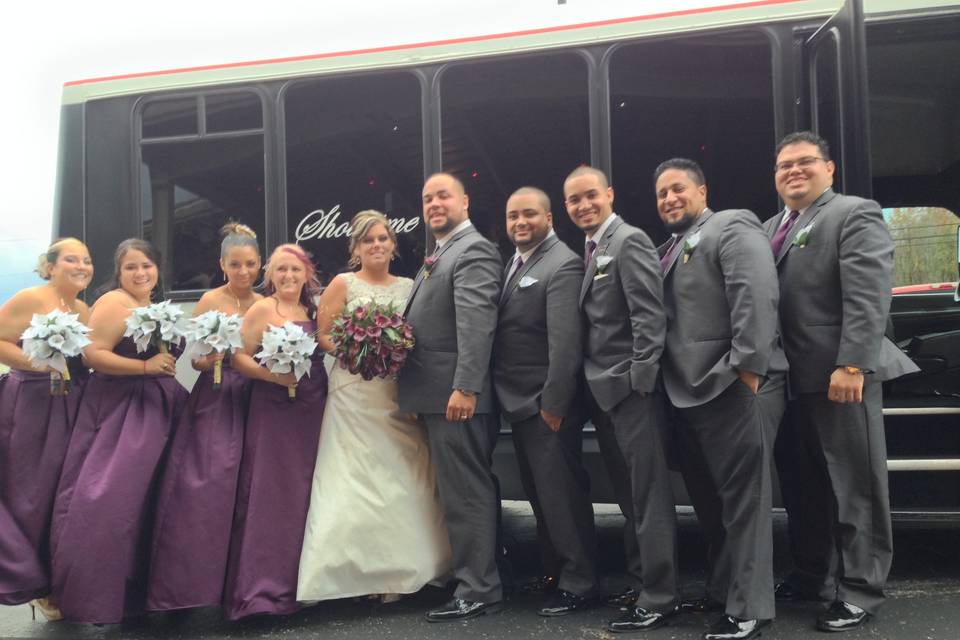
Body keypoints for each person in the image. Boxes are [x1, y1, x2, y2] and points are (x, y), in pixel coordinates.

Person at [764, 131, 918, 632]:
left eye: (805, 162)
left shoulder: (853, 213)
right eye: (784, 165)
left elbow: (869, 292)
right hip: (790, 382)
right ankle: (812, 574)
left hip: (840, 378)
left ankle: (860, 590)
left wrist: (852, 363)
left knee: (856, 487)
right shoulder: (772, 227)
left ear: (828, 168)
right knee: (804, 486)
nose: (794, 171)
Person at [653, 159, 787, 640]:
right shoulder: (668, 247)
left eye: (678, 189)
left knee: (744, 504)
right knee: (711, 505)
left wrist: (748, 369)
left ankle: (750, 609)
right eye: (662, 193)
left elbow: (754, 294)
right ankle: (723, 589)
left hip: (730, 386)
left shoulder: (731, 225)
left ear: (703, 190)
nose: (669, 198)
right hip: (688, 393)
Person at [297, 210, 451, 603]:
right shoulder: (342, 284)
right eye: (368, 240)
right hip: (354, 392)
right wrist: (360, 355)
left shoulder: (408, 285)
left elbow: (417, 336)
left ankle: (402, 570)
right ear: (356, 248)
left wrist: (391, 352)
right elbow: (325, 335)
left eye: (383, 238)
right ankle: (354, 573)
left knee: (403, 477)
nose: (377, 245)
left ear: (393, 244)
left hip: (396, 393)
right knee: (354, 480)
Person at [563, 165, 680, 633]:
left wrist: (641, 381)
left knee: (649, 498)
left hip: (631, 392)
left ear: (609, 194)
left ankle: (661, 596)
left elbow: (649, 316)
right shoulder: (594, 248)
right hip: (605, 392)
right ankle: (642, 583)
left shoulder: (627, 240)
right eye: (574, 200)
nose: (583, 205)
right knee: (631, 500)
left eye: (590, 195)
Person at [49, 238, 188, 624]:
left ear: (157, 268)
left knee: (153, 500)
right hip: (122, 411)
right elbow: (93, 355)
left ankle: (137, 589)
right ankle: (87, 592)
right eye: (131, 268)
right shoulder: (113, 303)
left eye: (146, 265)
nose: (140, 273)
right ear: (119, 273)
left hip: (161, 407)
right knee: (109, 499)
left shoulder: (153, 306)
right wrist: (145, 368)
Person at [396, 172, 503, 622]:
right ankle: (479, 579)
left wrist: (466, 387)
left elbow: (476, 326)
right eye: (427, 198)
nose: (435, 204)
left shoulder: (473, 249)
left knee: (467, 494)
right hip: (439, 395)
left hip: (455, 396)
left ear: (464, 201)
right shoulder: (440, 252)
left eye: (443, 196)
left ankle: (478, 588)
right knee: (461, 491)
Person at [492, 187, 599, 616]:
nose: (520, 222)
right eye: (513, 215)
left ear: (549, 218)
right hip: (520, 404)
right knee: (541, 496)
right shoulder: (516, 263)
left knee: (562, 498)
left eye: (529, 214)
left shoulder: (562, 264)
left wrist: (553, 406)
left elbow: (566, 346)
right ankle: (556, 572)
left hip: (545, 405)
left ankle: (582, 583)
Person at [146, 223, 262, 612]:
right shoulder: (210, 300)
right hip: (216, 397)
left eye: (249, 264)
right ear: (222, 264)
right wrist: (209, 359)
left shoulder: (265, 301)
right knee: (206, 485)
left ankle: (240, 578)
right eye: (235, 264)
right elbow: (191, 359)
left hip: (256, 396)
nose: (243, 272)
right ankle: (190, 586)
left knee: (249, 487)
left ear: (259, 264)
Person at [224, 243, 327, 620]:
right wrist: (273, 376)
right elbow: (238, 356)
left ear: (306, 274)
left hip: (311, 403)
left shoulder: (312, 309)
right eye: (280, 270)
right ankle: (260, 591)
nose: (288, 277)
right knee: (270, 489)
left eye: (295, 270)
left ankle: (305, 581)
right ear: (271, 276)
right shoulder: (263, 309)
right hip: (273, 406)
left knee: (305, 488)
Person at [0, 238, 93, 619]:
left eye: (87, 260)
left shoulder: (84, 308)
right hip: (32, 403)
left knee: (63, 491)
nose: (82, 266)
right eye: (71, 259)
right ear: (50, 266)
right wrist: (41, 364)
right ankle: (30, 578)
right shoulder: (30, 299)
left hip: (72, 401)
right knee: (32, 492)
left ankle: (56, 580)